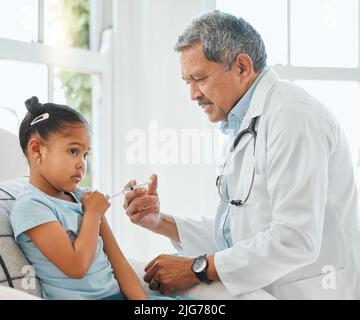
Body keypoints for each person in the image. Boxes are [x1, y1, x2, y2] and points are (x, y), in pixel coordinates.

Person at [123, 10, 360, 299]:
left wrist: (195, 269)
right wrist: (161, 222)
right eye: (188, 82)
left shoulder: (292, 116)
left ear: (243, 68)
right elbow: (238, 234)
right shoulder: (243, 124)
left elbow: (295, 239)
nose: (193, 94)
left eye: (199, 78)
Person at [10, 96, 184, 300]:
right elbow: (76, 266)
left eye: (85, 155)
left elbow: (117, 260)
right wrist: (92, 213)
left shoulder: (82, 196)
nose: (82, 164)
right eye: (73, 151)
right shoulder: (31, 206)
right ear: (36, 149)